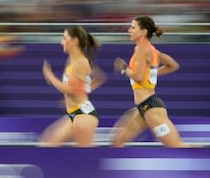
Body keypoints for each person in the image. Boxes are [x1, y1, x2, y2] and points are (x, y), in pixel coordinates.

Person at [111, 16, 188, 147]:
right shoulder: (152, 50)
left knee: (178, 147)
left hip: (151, 109)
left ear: (143, 32)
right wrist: (151, 73)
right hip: (143, 108)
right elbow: (173, 65)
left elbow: (139, 77)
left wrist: (124, 68)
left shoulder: (140, 49)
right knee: (117, 142)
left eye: (133, 27)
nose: (129, 30)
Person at [39, 26, 105, 147]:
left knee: (83, 155)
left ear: (75, 41)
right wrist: (81, 91)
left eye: (65, 38)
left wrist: (50, 76)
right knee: (47, 143)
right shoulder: (72, 60)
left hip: (84, 114)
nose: (61, 42)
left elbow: (71, 91)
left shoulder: (81, 62)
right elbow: (94, 80)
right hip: (76, 113)